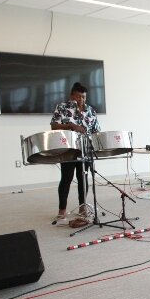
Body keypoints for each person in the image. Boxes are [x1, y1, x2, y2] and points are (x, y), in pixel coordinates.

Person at [50, 82, 100, 225]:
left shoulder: (90, 110)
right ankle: (62, 211)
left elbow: (96, 129)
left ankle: (83, 207)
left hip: (86, 149)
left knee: (83, 178)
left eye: (84, 97)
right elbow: (54, 125)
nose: (81, 100)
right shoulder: (63, 107)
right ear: (72, 96)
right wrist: (71, 126)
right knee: (66, 178)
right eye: (78, 97)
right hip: (68, 149)